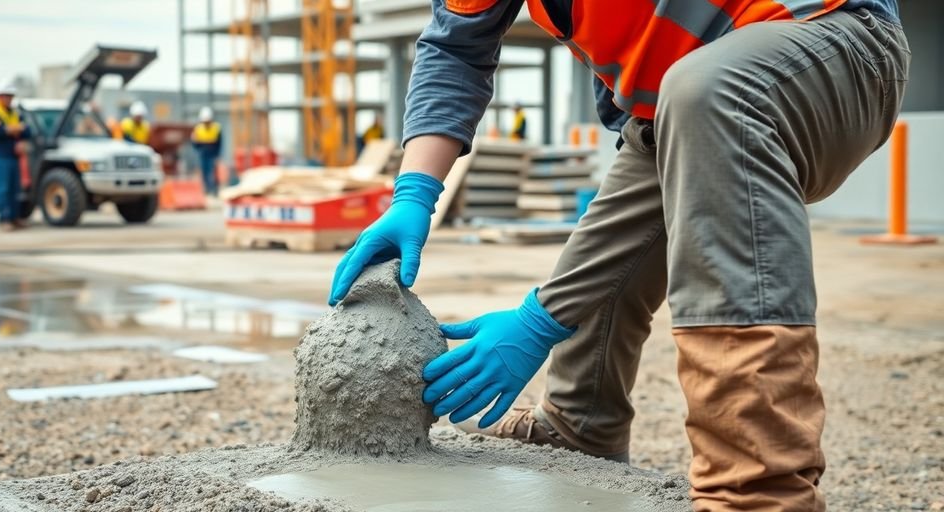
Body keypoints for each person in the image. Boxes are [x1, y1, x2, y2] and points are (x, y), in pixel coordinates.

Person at [328, 0, 906, 510]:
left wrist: (538, 322)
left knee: (709, 93)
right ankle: (579, 430)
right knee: (603, 260)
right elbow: (457, 48)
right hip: (674, 108)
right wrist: (414, 195)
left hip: (829, 47)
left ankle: (758, 492)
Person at [0, 78, 31, 231]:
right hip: (0, 156)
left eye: (10, 95)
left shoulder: (15, 113)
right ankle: (4, 219)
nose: (8, 98)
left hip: (14, 156)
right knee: (3, 189)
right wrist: (16, 129)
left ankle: (15, 217)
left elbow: (27, 131)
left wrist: (12, 129)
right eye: (6, 95)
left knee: (14, 189)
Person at [191, 107, 222, 196]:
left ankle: (215, 190)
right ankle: (207, 189)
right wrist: (194, 141)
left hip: (212, 153)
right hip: (203, 153)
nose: (207, 124)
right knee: (204, 172)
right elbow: (195, 144)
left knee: (213, 172)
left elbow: (219, 143)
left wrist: (217, 155)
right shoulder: (198, 129)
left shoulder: (216, 128)